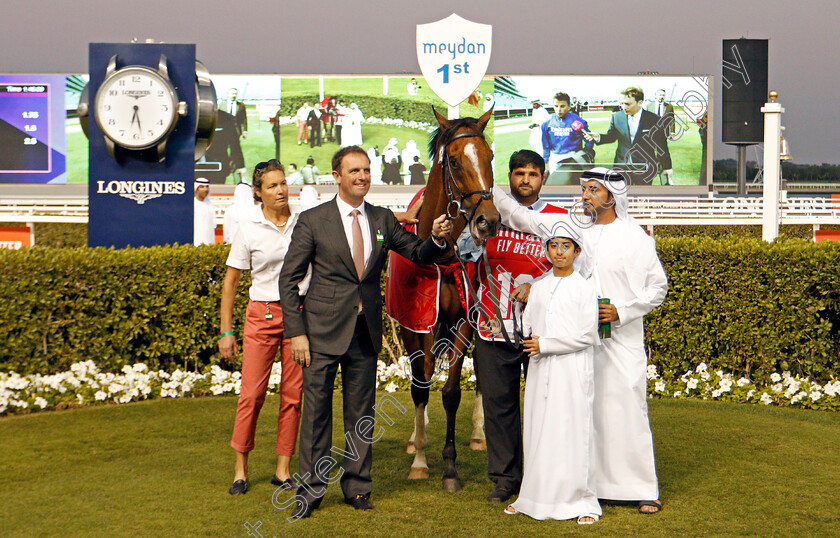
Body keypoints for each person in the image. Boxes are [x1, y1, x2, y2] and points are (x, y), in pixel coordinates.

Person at [278, 146, 453, 519]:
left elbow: (417, 253)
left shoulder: (382, 219)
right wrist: (297, 334)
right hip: (319, 335)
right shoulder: (312, 220)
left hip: (364, 334)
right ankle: (310, 491)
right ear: (337, 176)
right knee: (316, 417)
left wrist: (436, 238)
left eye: (366, 170)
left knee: (361, 416)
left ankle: (357, 488)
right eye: (354, 170)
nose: (362, 176)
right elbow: (288, 280)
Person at [490, 167, 669, 515]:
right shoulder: (576, 230)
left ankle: (642, 487)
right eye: (583, 189)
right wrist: (490, 187)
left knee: (627, 409)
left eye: (591, 190)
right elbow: (522, 217)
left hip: (622, 339)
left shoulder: (637, 238)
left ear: (611, 197)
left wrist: (622, 310)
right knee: (583, 412)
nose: (584, 196)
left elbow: (657, 288)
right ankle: (590, 486)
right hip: (577, 342)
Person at [456, 149, 567, 505]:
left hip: (540, 332)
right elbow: (464, 254)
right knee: (499, 407)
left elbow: (569, 271)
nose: (525, 180)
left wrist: (537, 287)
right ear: (509, 177)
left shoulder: (558, 218)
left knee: (544, 405)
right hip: (492, 326)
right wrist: (472, 236)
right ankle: (505, 479)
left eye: (533, 174)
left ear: (543, 178)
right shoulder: (491, 214)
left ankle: (543, 473)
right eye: (519, 173)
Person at [503, 225, 601, 524]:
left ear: (577, 252)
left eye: (565, 246)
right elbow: (529, 324)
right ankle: (532, 496)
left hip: (572, 370)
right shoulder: (540, 287)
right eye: (553, 246)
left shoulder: (586, 289)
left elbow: (588, 335)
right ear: (546, 251)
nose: (559, 252)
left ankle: (582, 502)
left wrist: (545, 344)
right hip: (540, 369)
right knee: (538, 429)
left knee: (572, 431)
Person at [220, 160, 306, 496]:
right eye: (272, 186)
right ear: (258, 193)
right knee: (251, 395)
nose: (281, 190)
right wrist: (226, 332)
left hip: (299, 316)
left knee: (293, 396)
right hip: (261, 315)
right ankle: (240, 470)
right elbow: (231, 283)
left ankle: (283, 470)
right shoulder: (249, 228)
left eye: (283, 183)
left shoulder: (304, 220)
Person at [583, 87, 674, 186]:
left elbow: (662, 145)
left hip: (645, 167)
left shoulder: (654, 119)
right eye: (622, 103)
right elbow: (612, 136)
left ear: (640, 102)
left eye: (627, 104)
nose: (623, 107)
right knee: (621, 197)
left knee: (641, 197)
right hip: (621, 166)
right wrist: (599, 137)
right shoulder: (617, 117)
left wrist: (667, 167)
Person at [541, 92, 594, 185]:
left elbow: (589, 138)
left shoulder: (577, 121)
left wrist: (587, 151)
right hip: (554, 157)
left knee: (573, 185)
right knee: (556, 187)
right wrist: (544, 162)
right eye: (556, 106)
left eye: (562, 106)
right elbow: (545, 145)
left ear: (569, 106)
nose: (559, 110)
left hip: (572, 157)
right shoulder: (547, 123)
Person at [193, 177, 215, 245]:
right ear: (196, 189)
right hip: (196, 242)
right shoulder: (192, 204)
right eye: (202, 187)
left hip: (209, 241)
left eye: (207, 187)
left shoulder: (210, 204)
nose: (205, 189)